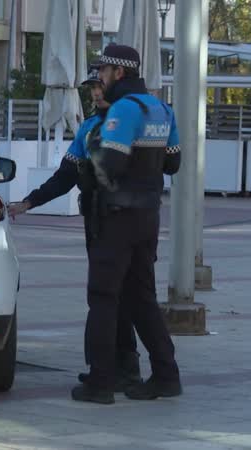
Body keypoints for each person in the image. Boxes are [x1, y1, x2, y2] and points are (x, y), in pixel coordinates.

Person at [8, 64, 143, 394]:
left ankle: (114, 371)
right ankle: (123, 368)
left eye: (99, 86)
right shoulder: (88, 129)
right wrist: (28, 202)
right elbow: (64, 177)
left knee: (117, 296)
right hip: (100, 220)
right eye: (92, 89)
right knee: (113, 296)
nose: (96, 93)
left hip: (125, 220)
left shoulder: (128, 123)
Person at [71, 44, 183, 404]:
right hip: (147, 217)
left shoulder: (124, 109)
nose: (100, 77)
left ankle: (102, 382)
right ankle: (166, 375)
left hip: (115, 218)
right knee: (142, 299)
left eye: (103, 71)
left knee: (104, 298)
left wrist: (91, 163)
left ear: (119, 72)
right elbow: (173, 165)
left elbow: (110, 166)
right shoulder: (161, 108)